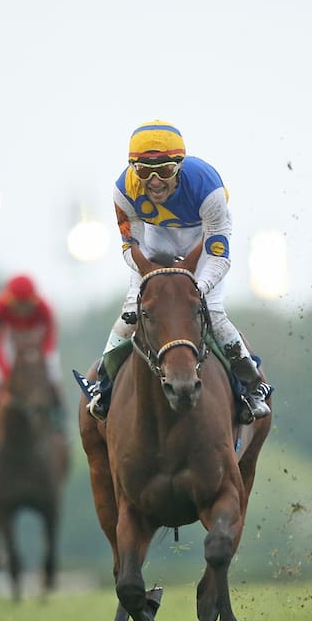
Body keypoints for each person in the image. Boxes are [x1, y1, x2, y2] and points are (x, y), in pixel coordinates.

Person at [84, 120, 272, 423]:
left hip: (203, 237)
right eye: (144, 171)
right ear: (133, 169)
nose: (155, 181)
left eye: (165, 171)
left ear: (180, 167)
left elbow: (220, 257)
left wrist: (197, 288)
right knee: (132, 310)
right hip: (158, 236)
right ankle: (103, 387)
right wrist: (149, 277)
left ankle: (252, 386)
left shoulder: (207, 187)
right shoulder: (123, 192)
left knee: (212, 311)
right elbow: (130, 247)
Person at [0, 274, 64, 439]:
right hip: (9, 342)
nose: (22, 310)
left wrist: (40, 360)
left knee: (53, 375)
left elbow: (50, 338)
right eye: (18, 305)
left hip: (36, 343)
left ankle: (59, 414)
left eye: (26, 305)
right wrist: (5, 371)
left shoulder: (44, 308)